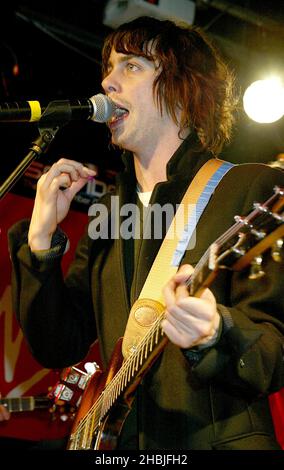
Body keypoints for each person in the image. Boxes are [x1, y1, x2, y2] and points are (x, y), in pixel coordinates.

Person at [8, 16, 284, 450]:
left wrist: (218, 332)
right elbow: (56, 344)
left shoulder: (249, 189)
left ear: (183, 88)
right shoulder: (111, 211)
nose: (107, 82)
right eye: (108, 67)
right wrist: (40, 244)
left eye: (131, 66)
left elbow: (274, 350)